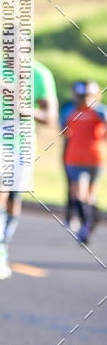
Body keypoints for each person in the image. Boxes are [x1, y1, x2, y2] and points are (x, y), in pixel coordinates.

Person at [0, 57, 58, 277]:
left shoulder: (41, 74)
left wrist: (28, 111)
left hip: (23, 142)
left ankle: (2, 247)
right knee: (0, 190)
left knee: (14, 200)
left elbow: (50, 116)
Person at [60, 81, 106, 244]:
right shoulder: (71, 111)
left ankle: (89, 223)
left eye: (88, 96)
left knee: (90, 196)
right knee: (78, 193)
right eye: (82, 96)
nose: (85, 100)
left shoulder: (100, 112)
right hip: (75, 159)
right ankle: (86, 223)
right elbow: (63, 130)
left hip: (95, 159)